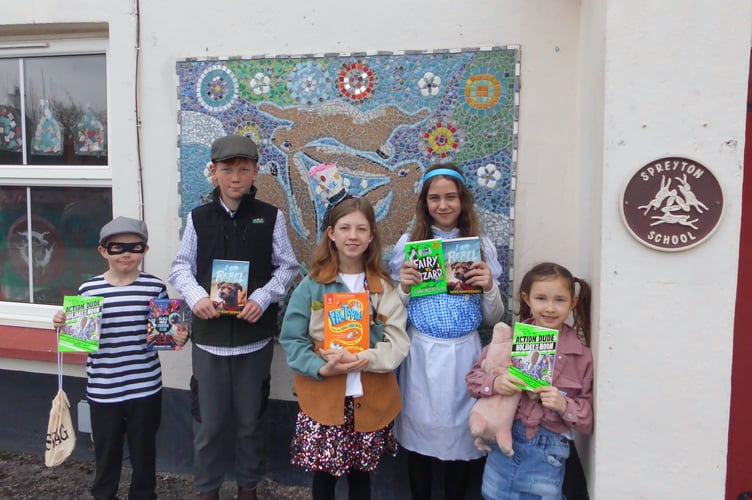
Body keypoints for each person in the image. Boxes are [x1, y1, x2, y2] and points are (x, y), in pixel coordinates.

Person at [168, 135, 299, 500]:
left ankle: (248, 487)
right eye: (227, 169)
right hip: (209, 340)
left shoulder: (271, 217)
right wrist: (196, 299)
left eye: (244, 169)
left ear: (256, 171)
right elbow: (180, 268)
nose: (236, 177)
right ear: (214, 172)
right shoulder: (199, 219)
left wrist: (262, 297)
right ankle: (207, 489)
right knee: (208, 423)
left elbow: (287, 267)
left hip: (252, 340)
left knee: (250, 421)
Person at [279, 193, 410, 500]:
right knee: (323, 478)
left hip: (370, 398)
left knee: (361, 478)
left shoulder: (382, 287)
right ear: (331, 234)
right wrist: (321, 367)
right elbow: (292, 338)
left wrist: (363, 357)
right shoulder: (312, 284)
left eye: (361, 229)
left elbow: (398, 341)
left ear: (372, 235)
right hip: (323, 399)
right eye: (345, 228)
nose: (353, 236)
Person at [390, 163, 505, 499]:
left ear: (463, 200)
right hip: (421, 353)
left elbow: (491, 318)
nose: (443, 205)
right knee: (419, 435)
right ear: (424, 202)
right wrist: (405, 287)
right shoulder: (409, 245)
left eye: (451, 197)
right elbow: (394, 313)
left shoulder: (479, 247)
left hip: (464, 356)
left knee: (461, 436)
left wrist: (488, 288)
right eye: (435, 198)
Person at [52, 216, 189, 500]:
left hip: (146, 387)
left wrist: (179, 336)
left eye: (134, 246)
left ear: (145, 250)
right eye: (116, 247)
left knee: (144, 452)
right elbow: (81, 341)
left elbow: (163, 334)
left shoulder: (154, 287)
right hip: (104, 389)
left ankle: (143, 495)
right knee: (106, 453)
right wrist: (63, 325)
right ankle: (104, 495)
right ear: (103, 251)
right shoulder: (89, 290)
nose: (126, 253)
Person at [466, 262, 594, 500]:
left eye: (559, 300)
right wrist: (496, 383)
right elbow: (473, 379)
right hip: (505, 446)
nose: (550, 308)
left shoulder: (581, 355)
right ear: (527, 299)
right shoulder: (511, 340)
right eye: (541, 298)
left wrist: (564, 405)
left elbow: (588, 420)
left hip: (548, 453)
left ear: (573, 302)